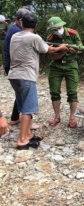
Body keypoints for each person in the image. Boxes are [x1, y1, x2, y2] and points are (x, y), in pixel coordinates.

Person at [8, 13, 68, 149]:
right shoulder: (34, 37)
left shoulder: (14, 36)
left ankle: (28, 134)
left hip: (14, 75)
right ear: (35, 25)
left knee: (22, 105)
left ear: (22, 23)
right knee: (28, 109)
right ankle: (22, 140)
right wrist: (62, 47)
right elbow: (48, 49)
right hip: (26, 76)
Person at [47, 16, 82, 128]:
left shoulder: (73, 34)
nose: (56, 31)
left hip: (71, 65)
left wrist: (75, 50)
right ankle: (57, 117)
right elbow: (52, 56)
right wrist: (63, 51)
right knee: (54, 92)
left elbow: (81, 49)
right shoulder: (51, 37)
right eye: (54, 29)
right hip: (56, 66)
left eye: (58, 28)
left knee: (72, 92)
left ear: (62, 25)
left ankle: (72, 117)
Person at [3, 8, 31, 126]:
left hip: (11, 65)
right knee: (26, 92)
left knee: (20, 92)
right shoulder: (17, 31)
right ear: (17, 19)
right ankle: (28, 123)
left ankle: (15, 117)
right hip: (15, 66)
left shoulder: (15, 28)